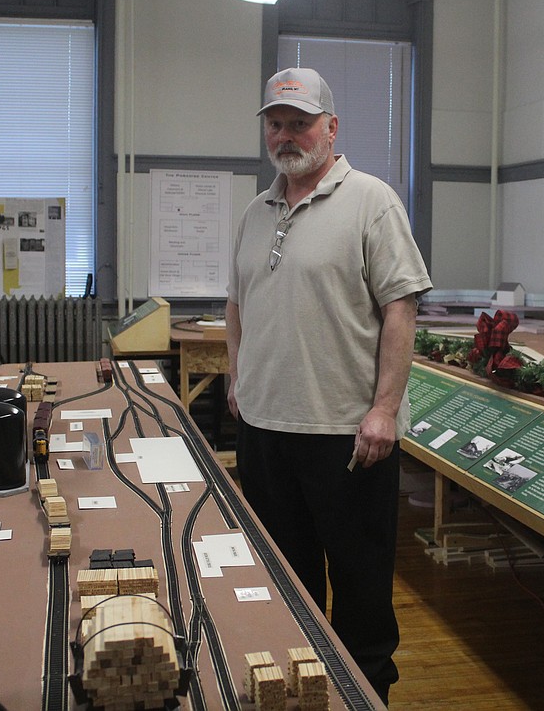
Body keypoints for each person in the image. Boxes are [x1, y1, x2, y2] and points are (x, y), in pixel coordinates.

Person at [226, 67, 432, 704]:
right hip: (265, 433)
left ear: (332, 127)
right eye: (276, 123)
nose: (286, 135)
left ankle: (367, 695)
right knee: (288, 584)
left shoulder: (372, 201)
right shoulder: (257, 211)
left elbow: (401, 306)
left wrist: (384, 409)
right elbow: (236, 304)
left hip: (345, 435)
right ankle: (304, 691)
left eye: (300, 122)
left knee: (362, 587)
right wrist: (238, 378)